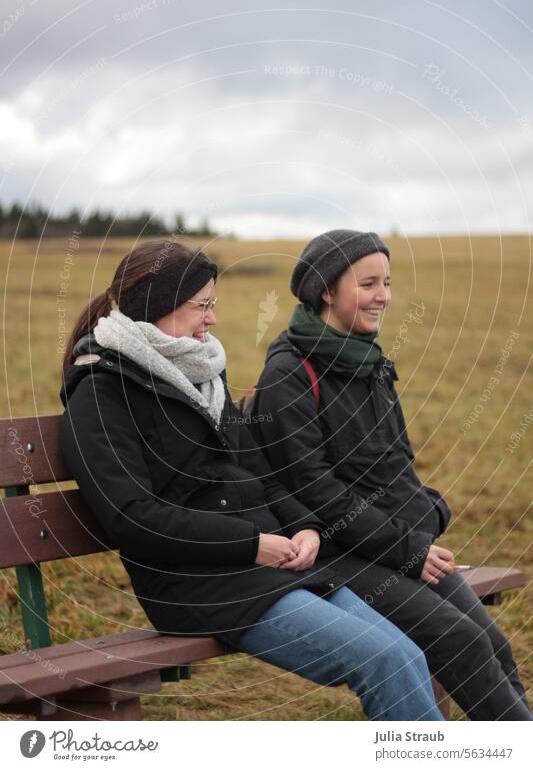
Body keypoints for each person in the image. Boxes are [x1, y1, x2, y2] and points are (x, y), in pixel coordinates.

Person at [58, 238, 443, 722]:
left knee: (406, 653)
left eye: (212, 305)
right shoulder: (100, 393)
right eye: (201, 306)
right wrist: (251, 543)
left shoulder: (200, 376)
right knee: (386, 662)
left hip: (266, 569)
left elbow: (258, 472)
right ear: (158, 308)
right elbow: (132, 519)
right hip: (196, 586)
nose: (212, 319)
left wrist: (302, 528)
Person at [249, 229, 532, 722]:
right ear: (326, 291)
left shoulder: (371, 362)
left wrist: (429, 512)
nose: (382, 295)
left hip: (390, 543)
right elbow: (316, 492)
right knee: (458, 638)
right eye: (367, 283)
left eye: (387, 282)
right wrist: (408, 549)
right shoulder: (289, 374)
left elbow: (395, 464)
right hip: (334, 554)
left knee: (491, 642)